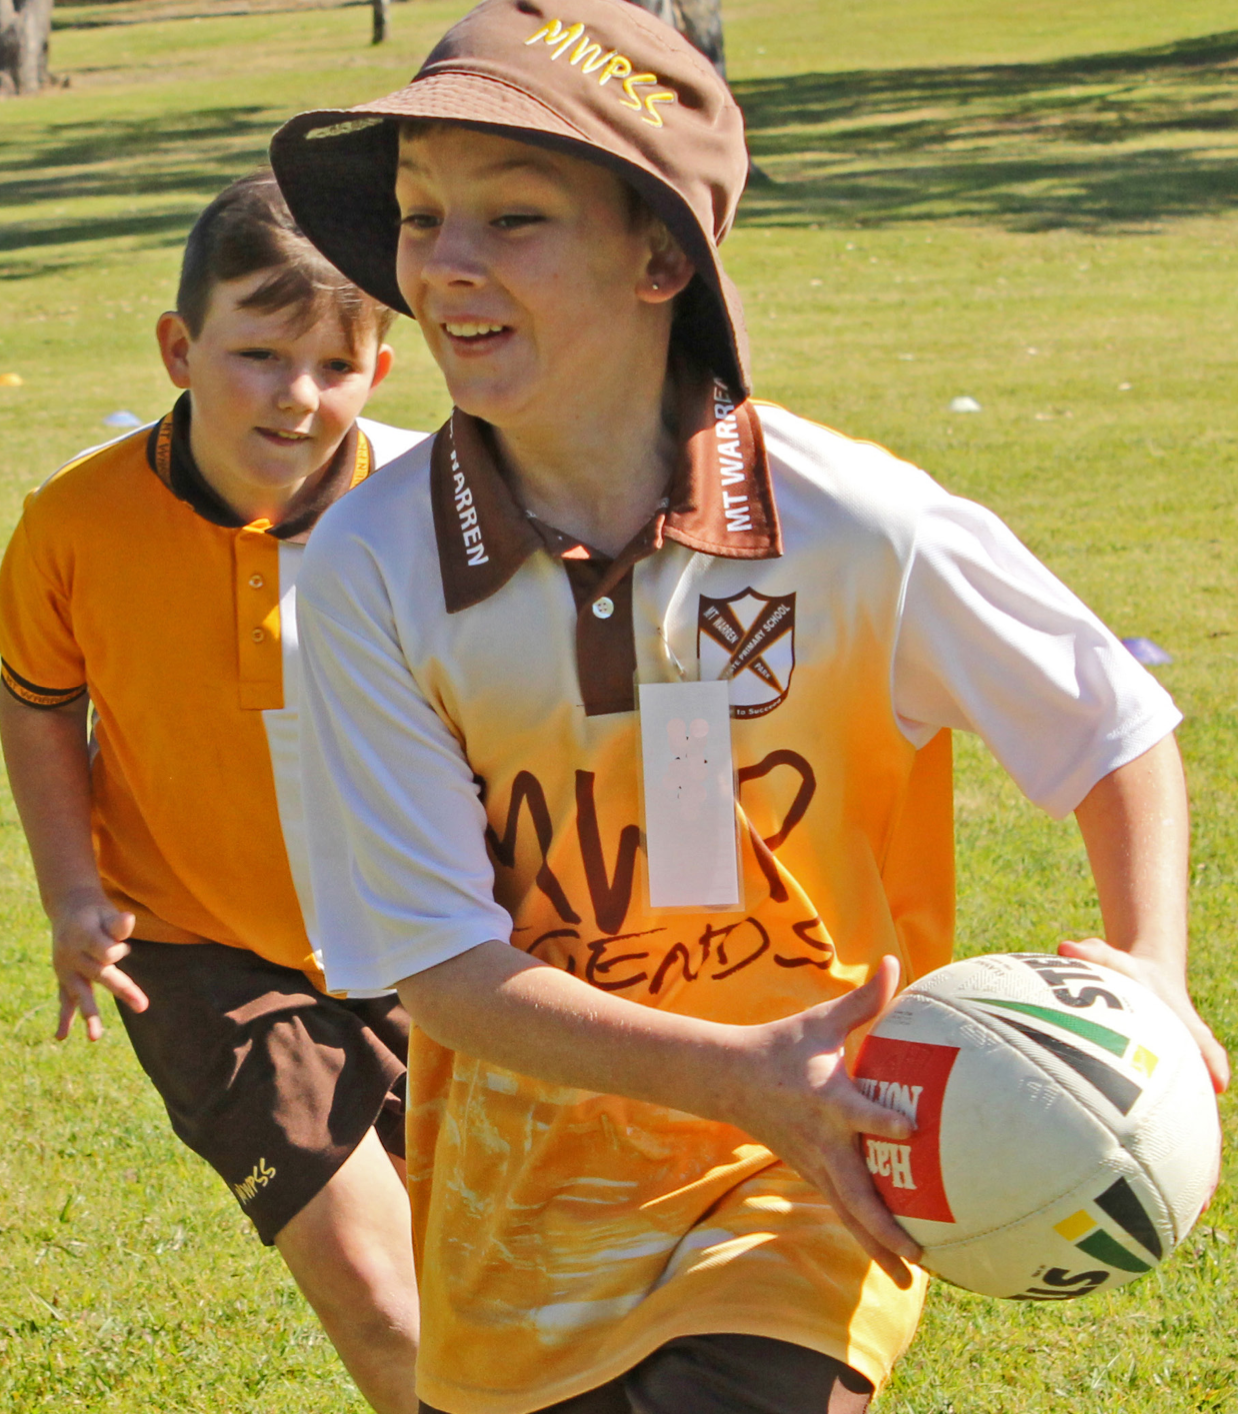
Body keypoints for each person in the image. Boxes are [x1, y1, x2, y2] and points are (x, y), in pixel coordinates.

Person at [269, 3, 1230, 1410]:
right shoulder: (369, 564)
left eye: (515, 216)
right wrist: (733, 1068)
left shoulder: (854, 524)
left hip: (811, 1164)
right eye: (420, 216)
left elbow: (1107, 725)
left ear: (661, 256)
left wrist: (1149, 965)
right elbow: (440, 967)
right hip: (520, 1223)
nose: (445, 264)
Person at [0, 172, 424, 1414]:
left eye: (333, 365)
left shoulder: (435, 508)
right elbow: (36, 699)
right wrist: (72, 892)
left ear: (381, 371)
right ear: (179, 349)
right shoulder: (74, 523)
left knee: (492, 1274)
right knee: (381, 1295)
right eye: (256, 354)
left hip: (425, 944)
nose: (295, 397)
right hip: (198, 957)